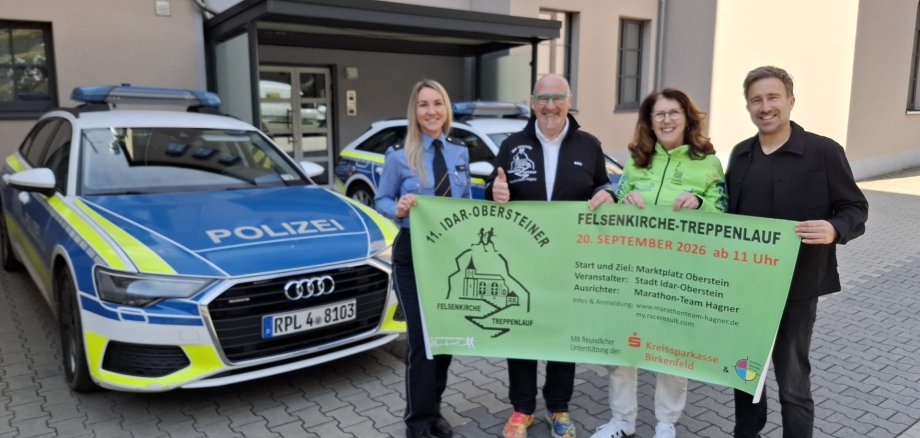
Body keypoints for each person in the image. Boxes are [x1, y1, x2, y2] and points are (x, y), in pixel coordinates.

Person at [727, 66, 868, 438]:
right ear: (748, 107)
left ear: (790, 100)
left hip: (798, 288)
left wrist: (835, 228)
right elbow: (727, 216)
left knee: (792, 378)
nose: (765, 106)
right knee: (745, 372)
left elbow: (855, 208)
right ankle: (747, 432)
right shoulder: (741, 156)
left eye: (773, 97)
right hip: (747, 289)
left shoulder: (823, 151)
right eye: (756, 99)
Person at [591, 88, 727, 438]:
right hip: (633, 270)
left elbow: (724, 215)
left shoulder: (708, 163)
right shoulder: (636, 161)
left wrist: (699, 202)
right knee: (622, 346)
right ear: (649, 122)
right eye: (659, 114)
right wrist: (623, 200)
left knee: (671, 351)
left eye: (673, 112)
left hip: (678, 273)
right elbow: (619, 205)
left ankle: (666, 424)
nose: (666, 120)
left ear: (687, 117)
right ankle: (622, 420)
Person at [486, 73, 615, 438]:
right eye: (543, 98)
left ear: (569, 101)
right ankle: (522, 408)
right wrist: (493, 191)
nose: (550, 106)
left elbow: (603, 184)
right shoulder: (512, 144)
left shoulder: (588, 145)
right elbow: (491, 189)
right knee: (522, 332)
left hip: (568, 259)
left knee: (562, 333)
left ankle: (559, 407)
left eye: (558, 98)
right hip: (521, 259)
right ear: (532, 102)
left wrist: (608, 194)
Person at [375, 79, 472, 438]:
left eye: (437, 103)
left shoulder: (460, 152)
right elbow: (381, 200)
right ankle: (416, 423)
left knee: (443, 339)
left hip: (450, 255)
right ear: (414, 113)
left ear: (446, 109)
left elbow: (466, 206)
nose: (431, 111)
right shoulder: (399, 155)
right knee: (421, 340)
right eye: (423, 105)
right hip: (412, 255)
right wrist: (397, 208)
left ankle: (434, 413)